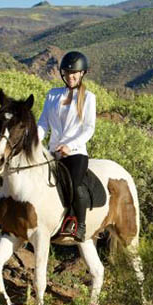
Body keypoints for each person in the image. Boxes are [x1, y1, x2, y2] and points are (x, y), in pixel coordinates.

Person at [37, 51, 97, 240]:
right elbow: (43, 123)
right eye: (67, 73)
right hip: (52, 151)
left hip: (76, 153)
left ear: (81, 74)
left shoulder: (88, 97)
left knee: (73, 184)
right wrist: (34, 143)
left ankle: (80, 224)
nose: (70, 77)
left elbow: (88, 129)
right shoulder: (53, 95)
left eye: (74, 74)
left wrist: (70, 146)